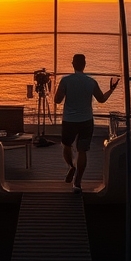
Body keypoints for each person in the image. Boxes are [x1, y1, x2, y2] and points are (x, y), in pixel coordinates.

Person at [54, 53, 119, 192]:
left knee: (66, 145)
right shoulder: (91, 82)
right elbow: (101, 99)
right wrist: (112, 89)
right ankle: (77, 183)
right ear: (85, 65)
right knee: (82, 151)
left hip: (69, 120)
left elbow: (57, 100)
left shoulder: (65, 80)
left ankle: (71, 166)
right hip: (86, 121)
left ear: (73, 64)